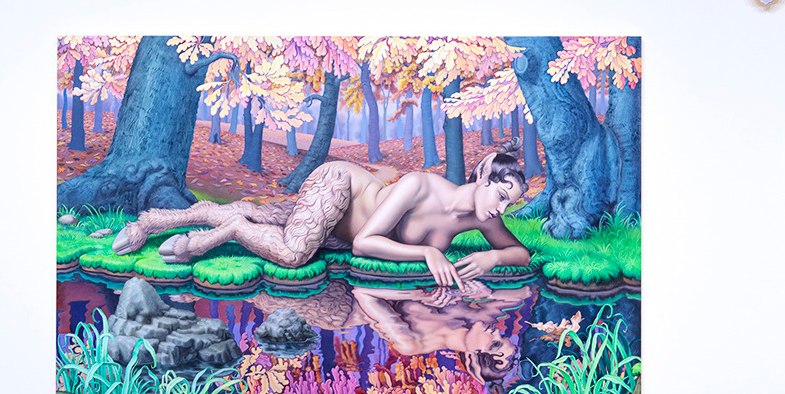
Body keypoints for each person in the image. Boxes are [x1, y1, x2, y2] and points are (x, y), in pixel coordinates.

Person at [110, 141, 534, 288]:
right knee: (293, 253)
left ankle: (150, 223)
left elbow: (522, 254)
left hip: (336, 232)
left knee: (258, 213)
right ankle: (223, 235)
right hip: (340, 187)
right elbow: (366, 243)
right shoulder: (420, 185)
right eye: (500, 194)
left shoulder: (485, 218)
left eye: (509, 204)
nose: (501, 208)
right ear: (482, 175)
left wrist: (493, 257)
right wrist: (427, 253)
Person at [348, 284, 526, 387]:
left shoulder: (412, 342)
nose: (497, 332)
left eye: (494, 344)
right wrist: (487, 293)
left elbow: (363, 292)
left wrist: (419, 295)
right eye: (502, 337)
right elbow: (524, 293)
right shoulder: (480, 319)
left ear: (472, 358)